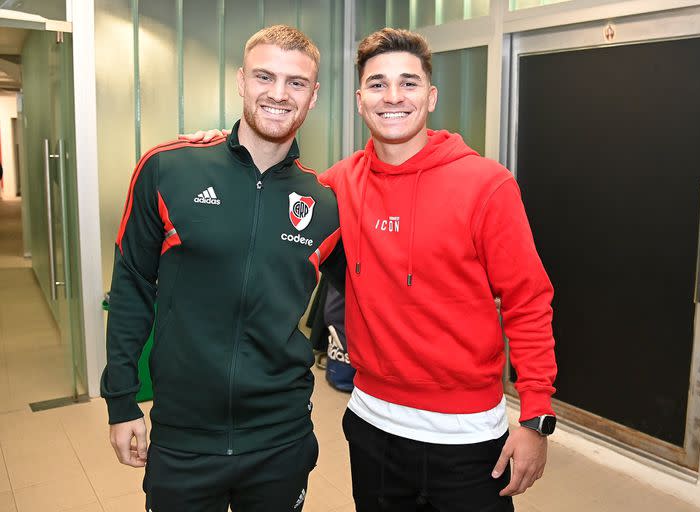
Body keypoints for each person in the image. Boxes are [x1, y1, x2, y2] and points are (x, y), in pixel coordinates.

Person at [189, 27, 557, 512]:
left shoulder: (486, 184)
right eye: (378, 84)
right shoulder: (337, 186)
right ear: (360, 99)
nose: (393, 97)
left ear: (430, 96)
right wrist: (218, 154)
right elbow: (271, 190)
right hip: (372, 427)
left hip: (468, 436)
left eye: (408, 83)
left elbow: (527, 301)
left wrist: (535, 418)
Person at [101, 25, 342, 512]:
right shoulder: (169, 168)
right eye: (264, 76)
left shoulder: (326, 201)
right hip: (184, 437)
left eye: (296, 82)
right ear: (241, 81)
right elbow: (131, 285)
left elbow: (373, 292)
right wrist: (121, 400)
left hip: (281, 437)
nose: (278, 93)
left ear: (313, 96)